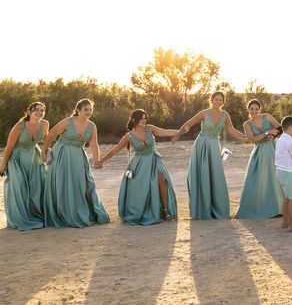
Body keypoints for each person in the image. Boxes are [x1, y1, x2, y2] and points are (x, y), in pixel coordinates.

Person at [95, 109, 179, 225]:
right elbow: (115, 150)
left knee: (162, 180)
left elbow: (165, 132)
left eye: (145, 118)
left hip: (155, 160)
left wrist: (180, 131)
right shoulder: (128, 136)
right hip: (139, 165)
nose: (144, 121)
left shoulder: (149, 129)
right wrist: (101, 161)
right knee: (142, 189)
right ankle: (142, 211)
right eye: (142, 118)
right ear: (135, 120)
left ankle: (165, 210)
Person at [174, 91, 246, 220]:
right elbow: (188, 124)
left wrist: (245, 137)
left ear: (223, 102)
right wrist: (178, 134)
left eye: (220, 100)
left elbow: (231, 130)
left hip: (214, 145)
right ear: (211, 100)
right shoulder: (204, 113)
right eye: (216, 99)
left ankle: (217, 209)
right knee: (202, 174)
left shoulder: (225, 115)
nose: (218, 102)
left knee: (216, 175)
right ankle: (202, 209)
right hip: (201, 145)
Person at [42, 98, 110, 227]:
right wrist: (44, 151)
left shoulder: (92, 126)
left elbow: (94, 144)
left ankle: (80, 211)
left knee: (82, 184)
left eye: (91, 110)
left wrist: (97, 160)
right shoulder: (67, 122)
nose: (89, 112)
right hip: (62, 154)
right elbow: (51, 134)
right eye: (86, 109)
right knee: (62, 182)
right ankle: (63, 214)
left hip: (78, 155)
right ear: (78, 110)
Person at [0, 102, 48, 230]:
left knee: (37, 186)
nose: (39, 112)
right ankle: (21, 217)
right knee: (20, 187)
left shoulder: (45, 124)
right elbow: (9, 147)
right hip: (17, 158)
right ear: (29, 112)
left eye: (42, 110)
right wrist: (3, 164)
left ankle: (35, 214)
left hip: (34, 157)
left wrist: (45, 153)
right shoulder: (19, 127)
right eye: (36, 110)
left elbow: (46, 141)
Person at [235, 99, 284, 219]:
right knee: (259, 179)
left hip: (273, 150)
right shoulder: (247, 124)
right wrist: (267, 132)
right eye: (251, 109)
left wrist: (274, 134)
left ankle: (279, 208)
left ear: (260, 109)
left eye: (256, 109)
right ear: (248, 110)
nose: (254, 111)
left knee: (275, 177)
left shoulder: (267, 116)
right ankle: (261, 208)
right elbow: (252, 139)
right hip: (259, 153)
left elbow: (281, 129)